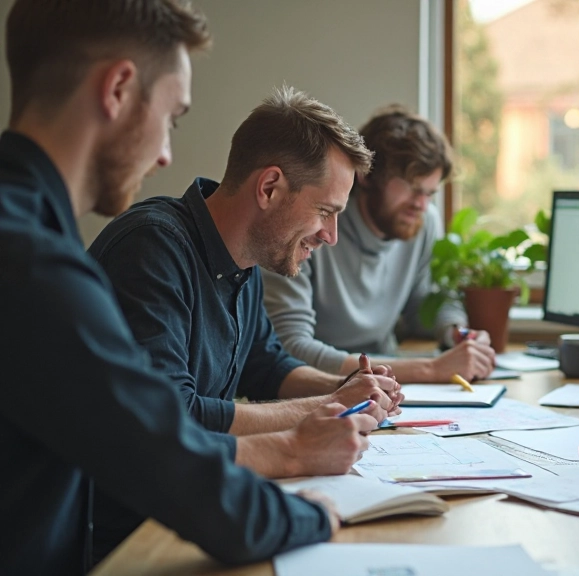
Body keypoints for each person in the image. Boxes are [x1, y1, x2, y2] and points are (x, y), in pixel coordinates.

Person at [0, 1, 369, 574]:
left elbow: (155, 432)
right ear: (118, 89)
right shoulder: (33, 262)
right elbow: (165, 455)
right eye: (172, 118)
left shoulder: (32, 239)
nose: (166, 154)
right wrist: (310, 500)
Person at [86, 86, 404, 561]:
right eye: (325, 212)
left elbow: (266, 365)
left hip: (186, 510)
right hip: (123, 540)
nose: (331, 236)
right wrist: (325, 408)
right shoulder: (151, 248)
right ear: (269, 187)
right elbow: (174, 415)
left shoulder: (246, 260)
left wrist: (349, 387)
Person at [262, 106, 497, 383]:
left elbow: (423, 304)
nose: (421, 205)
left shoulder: (423, 222)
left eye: (429, 193)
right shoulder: (312, 229)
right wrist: (429, 370)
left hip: (385, 380)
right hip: (319, 386)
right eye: (412, 188)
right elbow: (291, 349)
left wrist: (454, 330)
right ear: (367, 175)